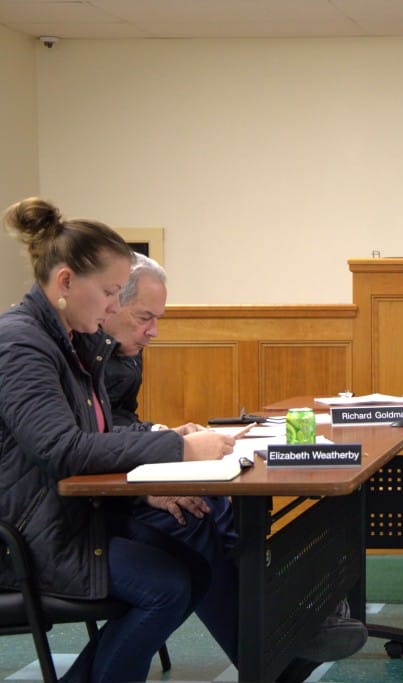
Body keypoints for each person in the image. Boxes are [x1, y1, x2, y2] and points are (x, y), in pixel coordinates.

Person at [93, 253, 368, 681]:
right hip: (81, 513)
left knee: (219, 510)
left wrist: (160, 432)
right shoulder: (71, 352)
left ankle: (284, 631)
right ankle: (278, 644)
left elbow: (117, 424)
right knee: (199, 522)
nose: (154, 331)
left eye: (158, 318)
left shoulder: (123, 350)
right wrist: (159, 458)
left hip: (110, 490)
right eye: (144, 316)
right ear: (109, 304)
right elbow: (75, 446)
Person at [0, 197, 238, 682]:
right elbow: (61, 449)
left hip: (68, 518)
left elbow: (99, 436)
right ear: (66, 282)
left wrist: (161, 454)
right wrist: (177, 449)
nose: (114, 305)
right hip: (28, 538)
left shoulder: (72, 344)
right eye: (109, 291)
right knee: (167, 585)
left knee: (191, 567)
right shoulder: (20, 344)